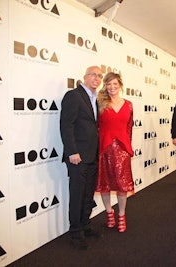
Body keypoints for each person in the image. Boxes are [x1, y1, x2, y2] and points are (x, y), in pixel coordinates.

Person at [60, 66, 103, 250]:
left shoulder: (96, 99)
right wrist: (72, 151)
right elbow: (66, 125)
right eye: (93, 74)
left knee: (87, 195)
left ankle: (85, 225)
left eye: (100, 75)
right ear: (84, 77)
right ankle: (75, 233)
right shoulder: (73, 95)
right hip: (78, 157)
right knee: (77, 195)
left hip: (92, 156)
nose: (97, 78)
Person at [96, 72, 134, 233]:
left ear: (120, 86)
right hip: (104, 148)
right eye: (108, 84)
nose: (111, 87)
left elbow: (129, 127)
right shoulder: (99, 103)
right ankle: (109, 213)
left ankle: (122, 215)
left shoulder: (129, 104)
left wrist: (127, 147)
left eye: (115, 84)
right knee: (104, 185)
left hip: (122, 150)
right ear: (105, 86)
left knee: (122, 186)